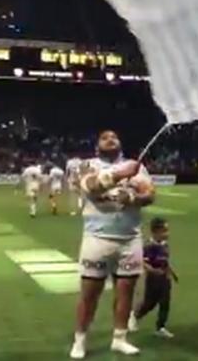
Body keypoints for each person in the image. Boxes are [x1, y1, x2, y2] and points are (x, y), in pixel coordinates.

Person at [70, 130, 155, 359]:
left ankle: (119, 339)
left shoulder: (136, 166)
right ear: (97, 145)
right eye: (105, 137)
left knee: (125, 292)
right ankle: (80, 339)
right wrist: (120, 175)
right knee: (90, 294)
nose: (110, 139)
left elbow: (150, 194)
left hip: (130, 238)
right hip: (97, 238)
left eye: (115, 137)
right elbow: (89, 187)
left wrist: (134, 199)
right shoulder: (87, 164)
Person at [128, 217, 178, 339]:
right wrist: (153, 271)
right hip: (153, 279)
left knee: (165, 303)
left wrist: (171, 273)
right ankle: (135, 315)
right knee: (150, 303)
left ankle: (160, 327)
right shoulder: (149, 246)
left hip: (164, 278)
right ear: (156, 232)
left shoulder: (165, 244)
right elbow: (143, 262)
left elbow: (165, 261)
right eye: (165, 230)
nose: (167, 233)